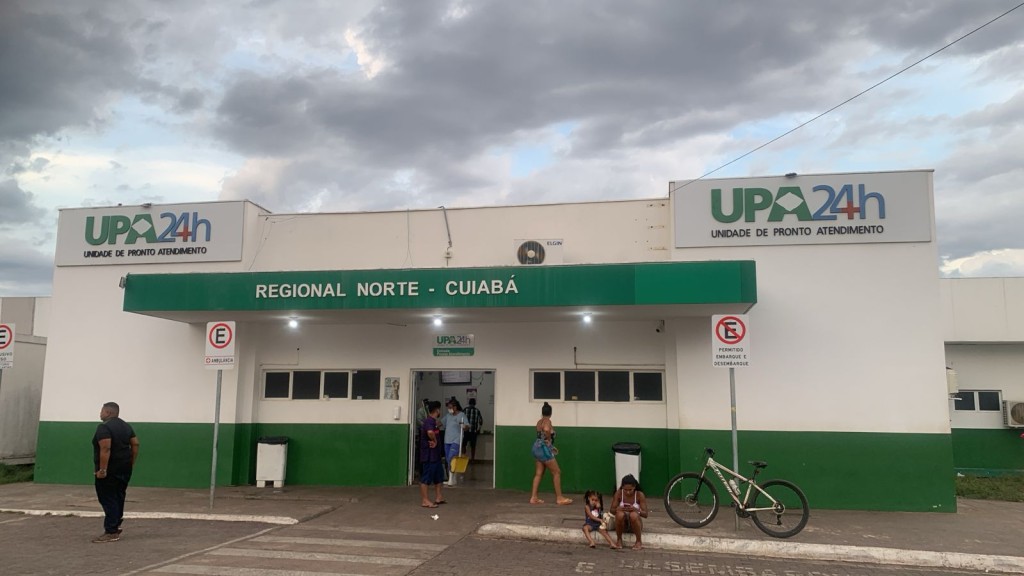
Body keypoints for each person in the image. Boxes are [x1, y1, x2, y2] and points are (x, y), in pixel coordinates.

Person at [91, 402, 139, 543]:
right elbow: (135, 443)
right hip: (124, 468)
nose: (100, 413)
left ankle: (111, 531)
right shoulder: (126, 426)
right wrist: (131, 462)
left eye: (102, 411)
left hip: (110, 470)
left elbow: (106, 448)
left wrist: (102, 470)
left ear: (108, 412)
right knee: (119, 496)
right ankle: (116, 525)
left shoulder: (104, 427)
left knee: (108, 498)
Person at [529, 401, 572, 505]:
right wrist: (548, 442)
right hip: (544, 449)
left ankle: (533, 497)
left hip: (537, 448)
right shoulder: (547, 421)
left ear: (542, 412)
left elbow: (540, 435)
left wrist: (550, 446)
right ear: (551, 413)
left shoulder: (539, 422)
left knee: (539, 473)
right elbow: (547, 430)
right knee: (556, 472)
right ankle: (559, 498)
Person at [419, 401, 446, 507]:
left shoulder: (434, 422)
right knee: (426, 478)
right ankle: (425, 500)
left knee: (438, 476)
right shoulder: (429, 421)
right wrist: (434, 441)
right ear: (437, 410)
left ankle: (439, 497)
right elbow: (430, 432)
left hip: (436, 456)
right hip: (429, 456)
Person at [610, 474, 648, 550]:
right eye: (625, 490)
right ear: (622, 487)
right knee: (619, 514)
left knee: (633, 515)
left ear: (634, 487)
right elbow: (612, 510)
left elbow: (645, 514)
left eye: (630, 490)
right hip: (623, 525)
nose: (628, 492)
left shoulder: (639, 495)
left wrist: (636, 510)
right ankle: (619, 539)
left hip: (635, 524)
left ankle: (638, 541)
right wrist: (618, 509)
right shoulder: (619, 493)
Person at [442, 399, 468, 486]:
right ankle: (452, 478)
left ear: (455, 407)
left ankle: (451, 479)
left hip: (456, 440)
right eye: (448, 408)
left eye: (450, 407)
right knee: (448, 459)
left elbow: (467, 426)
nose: (449, 409)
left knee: (451, 458)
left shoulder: (462, 415)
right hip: (447, 440)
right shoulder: (448, 416)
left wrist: (464, 426)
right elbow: (441, 423)